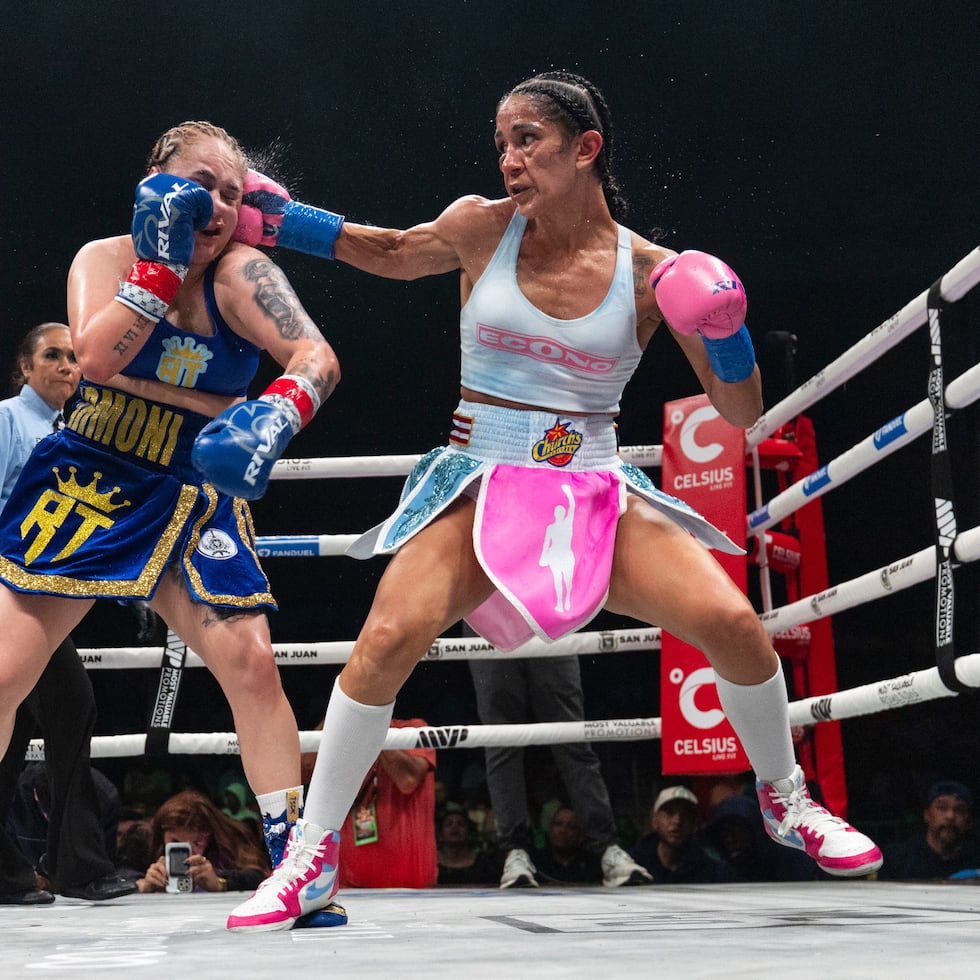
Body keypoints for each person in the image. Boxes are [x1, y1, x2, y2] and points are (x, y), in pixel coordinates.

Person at [220, 71, 882, 931]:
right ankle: (310, 856)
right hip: (478, 473)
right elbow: (380, 249)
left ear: (586, 148)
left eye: (527, 139)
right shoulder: (479, 228)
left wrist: (727, 332)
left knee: (734, 624)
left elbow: (741, 414)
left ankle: (786, 799)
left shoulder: (653, 274)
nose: (509, 159)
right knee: (384, 638)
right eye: (501, 141)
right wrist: (272, 219)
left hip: (593, 484)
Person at [0, 123, 340, 887]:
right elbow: (95, 357)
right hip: (89, 471)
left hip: (192, 485)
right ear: (156, 181)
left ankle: (298, 866)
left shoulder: (244, 275)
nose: (217, 203)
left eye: (232, 191)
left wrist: (279, 409)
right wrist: (160, 265)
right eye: (200, 184)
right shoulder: (108, 258)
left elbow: (316, 356)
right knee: (2, 675)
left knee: (252, 665)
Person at [0, 322, 135, 904]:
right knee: (71, 707)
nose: (66, 366)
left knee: (17, 732)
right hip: (11, 592)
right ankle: (77, 866)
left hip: (52, 598)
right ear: (25, 369)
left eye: (75, 358)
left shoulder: (84, 433)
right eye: (52, 356)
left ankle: (14, 871)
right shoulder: (8, 419)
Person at [469, 655, 651, 888]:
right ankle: (514, 853)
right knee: (501, 740)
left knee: (573, 736)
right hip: (490, 626)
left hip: (551, 623)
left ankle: (607, 848)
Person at [335, 719, 437, 889]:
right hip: (347, 885)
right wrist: (335, 720)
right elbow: (304, 772)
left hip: (411, 887)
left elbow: (408, 779)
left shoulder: (414, 728)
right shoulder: (341, 727)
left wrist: (372, 724)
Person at [135, 790, 270, 893]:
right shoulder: (147, 844)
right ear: (162, 835)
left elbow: (260, 877)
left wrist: (220, 883)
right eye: (175, 842)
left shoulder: (229, 842)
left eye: (197, 842)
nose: (189, 852)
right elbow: (120, 876)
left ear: (210, 834)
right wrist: (142, 885)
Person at [630, 786, 735, 884]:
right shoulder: (630, 866)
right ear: (655, 820)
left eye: (686, 814)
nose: (677, 821)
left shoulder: (714, 873)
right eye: (669, 813)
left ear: (695, 824)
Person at [704, 792, 818, 882]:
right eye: (724, 833)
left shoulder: (794, 863)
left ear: (754, 829)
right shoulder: (714, 869)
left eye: (737, 830)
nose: (730, 839)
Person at [879, 780, 980, 881]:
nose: (950, 816)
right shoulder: (899, 859)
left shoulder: (975, 859)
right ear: (927, 814)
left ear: (967, 818)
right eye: (942, 808)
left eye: (959, 809)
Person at [530, 806, 603, 884]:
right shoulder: (535, 862)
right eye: (558, 824)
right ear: (550, 828)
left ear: (581, 834)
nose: (563, 830)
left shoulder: (593, 864)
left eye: (571, 826)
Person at [436, 806, 502, 886]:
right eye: (449, 824)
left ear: (469, 833)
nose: (455, 827)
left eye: (461, 824)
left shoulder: (486, 864)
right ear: (440, 835)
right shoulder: (430, 864)